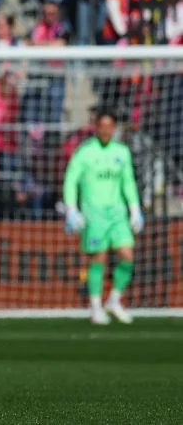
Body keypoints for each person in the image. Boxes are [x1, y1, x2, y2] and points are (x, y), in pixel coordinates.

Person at [63, 110, 143, 325]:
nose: (106, 130)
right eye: (102, 126)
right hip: (94, 211)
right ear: (96, 127)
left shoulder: (122, 152)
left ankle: (114, 300)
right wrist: (71, 209)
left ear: (114, 127)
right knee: (99, 257)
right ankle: (96, 306)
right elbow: (71, 179)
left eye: (110, 126)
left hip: (117, 212)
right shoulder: (85, 152)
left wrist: (135, 209)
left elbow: (128, 182)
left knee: (127, 255)